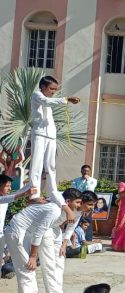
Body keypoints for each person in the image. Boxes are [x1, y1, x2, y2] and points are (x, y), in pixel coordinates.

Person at [7, 188, 81, 293]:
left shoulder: (57, 205)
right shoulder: (55, 210)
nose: (79, 205)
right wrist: (33, 256)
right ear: (67, 201)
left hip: (26, 233)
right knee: (26, 269)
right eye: (77, 202)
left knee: (30, 270)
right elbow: (39, 232)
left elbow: (55, 193)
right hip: (17, 232)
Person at [28, 76, 79, 210]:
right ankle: (34, 194)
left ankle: (52, 193)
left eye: (55, 89)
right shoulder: (37, 95)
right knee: (37, 165)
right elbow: (46, 101)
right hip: (39, 134)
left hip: (51, 136)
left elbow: (49, 102)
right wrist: (66, 99)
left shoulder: (49, 100)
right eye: (51, 89)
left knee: (51, 166)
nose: (53, 92)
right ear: (44, 87)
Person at [40, 190, 96, 293]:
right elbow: (54, 192)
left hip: (55, 230)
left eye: (93, 205)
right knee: (49, 264)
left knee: (60, 262)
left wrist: (64, 245)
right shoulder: (61, 205)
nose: (91, 208)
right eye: (89, 204)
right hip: (44, 229)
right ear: (81, 202)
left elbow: (70, 228)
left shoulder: (79, 213)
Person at [0, 175, 34, 265]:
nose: (9, 188)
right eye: (7, 186)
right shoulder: (4, 198)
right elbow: (5, 199)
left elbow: (18, 192)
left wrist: (33, 180)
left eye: (10, 186)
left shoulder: (6, 197)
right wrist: (25, 193)